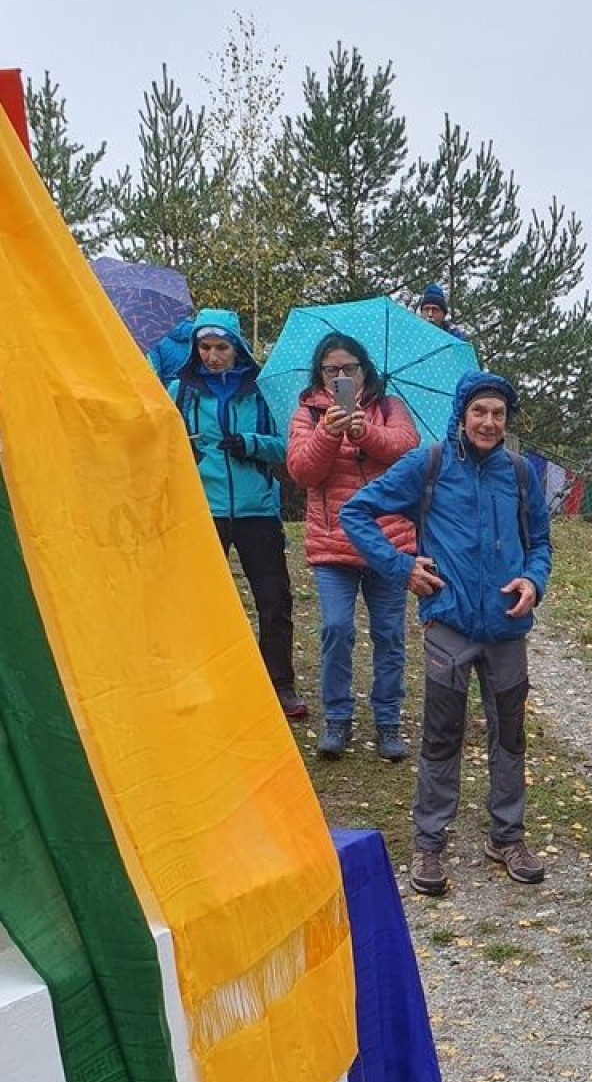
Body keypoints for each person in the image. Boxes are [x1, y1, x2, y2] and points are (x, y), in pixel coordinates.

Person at [340, 371, 552, 892]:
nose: (488, 422)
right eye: (479, 411)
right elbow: (357, 512)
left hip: (506, 626)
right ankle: (429, 844)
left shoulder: (521, 474)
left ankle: (506, 836)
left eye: (498, 413)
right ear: (463, 413)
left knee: (510, 736)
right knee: (441, 735)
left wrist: (534, 579)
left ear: (507, 420)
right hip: (449, 624)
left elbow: (542, 543)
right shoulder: (429, 464)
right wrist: (402, 567)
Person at [286, 334, 420, 761]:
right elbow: (302, 472)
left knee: (389, 634)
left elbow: (408, 452)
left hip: (387, 542)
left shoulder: (389, 407)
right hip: (333, 544)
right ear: (320, 373)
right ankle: (337, 718)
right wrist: (329, 434)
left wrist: (368, 434)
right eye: (332, 370)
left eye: (349, 368)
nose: (341, 376)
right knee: (336, 629)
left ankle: (388, 720)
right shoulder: (308, 411)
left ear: (364, 370)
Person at [169, 308, 305, 721]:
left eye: (221, 347)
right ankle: (204, 682)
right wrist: (180, 451)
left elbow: (289, 448)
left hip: (257, 510)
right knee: (200, 601)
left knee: (274, 599)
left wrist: (250, 443)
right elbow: (157, 443)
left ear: (237, 347)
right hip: (202, 510)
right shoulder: (179, 390)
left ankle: (279, 684)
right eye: (205, 347)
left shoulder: (261, 391)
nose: (212, 356)